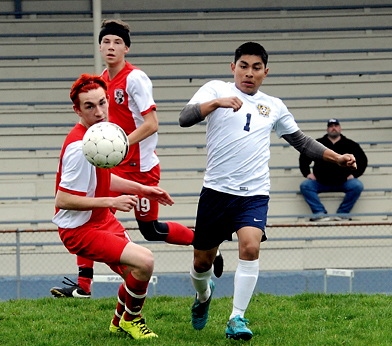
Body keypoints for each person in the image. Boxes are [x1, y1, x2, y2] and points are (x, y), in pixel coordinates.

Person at [178, 42, 357, 340]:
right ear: (232, 67)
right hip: (216, 192)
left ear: (265, 72)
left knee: (250, 247)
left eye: (256, 68)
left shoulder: (273, 105)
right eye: (243, 66)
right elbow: (184, 118)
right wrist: (217, 103)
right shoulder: (214, 89)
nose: (249, 73)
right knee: (201, 262)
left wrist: (336, 157)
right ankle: (203, 296)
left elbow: (301, 141)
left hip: (254, 193)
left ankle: (237, 317)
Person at [50, 18, 223, 299]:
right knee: (92, 217)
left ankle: (205, 244)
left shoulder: (135, 78)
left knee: (150, 230)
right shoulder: (101, 82)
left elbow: (152, 123)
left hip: (139, 166)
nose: (110, 46)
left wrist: (119, 145)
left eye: (117, 42)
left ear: (126, 48)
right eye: (106, 41)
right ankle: (84, 286)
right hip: (114, 162)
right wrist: (109, 152)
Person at [52, 74, 176, 338]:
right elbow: (62, 200)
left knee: (136, 271)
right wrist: (111, 201)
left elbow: (103, 178)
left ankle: (120, 321)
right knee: (144, 261)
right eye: (89, 106)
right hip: (80, 229)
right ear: (77, 109)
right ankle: (132, 320)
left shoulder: (96, 136)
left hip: (101, 220)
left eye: (102, 103)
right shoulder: (78, 146)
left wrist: (142, 189)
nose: (99, 111)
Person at [299, 118, 368, 221]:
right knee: (305, 186)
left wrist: (354, 175)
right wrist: (307, 173)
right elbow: (304, 157)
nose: (333, 128)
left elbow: (362, 160)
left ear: (340, 128)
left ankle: (342, 214)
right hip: (320, 182)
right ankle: (319, 213)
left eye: (336, 125)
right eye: (331, 126)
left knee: (357, 185)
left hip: (343, 182)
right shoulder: (318, 143)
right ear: (327, 129)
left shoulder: (350, 144)